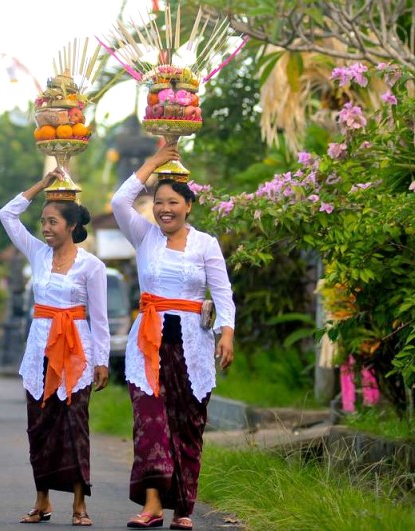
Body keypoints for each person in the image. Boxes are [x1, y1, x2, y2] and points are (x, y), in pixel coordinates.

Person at [110, 144, 235, 530]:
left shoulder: (206, 244)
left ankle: (182, 508)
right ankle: (151, 506)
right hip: (147, 344)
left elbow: (223, 291)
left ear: (188, 206)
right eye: (158, 202)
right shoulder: (144, 235)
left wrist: (226, 333)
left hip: (191, 346)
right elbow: (119, 200)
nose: (165, 209)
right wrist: (153, 162)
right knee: (150, 422)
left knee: (186, 425)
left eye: (173, 202)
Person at [0, 168, 110, 527]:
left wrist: (102, 361)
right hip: (40, 350)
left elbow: (100, 318)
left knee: (74, 425)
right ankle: (42, 500)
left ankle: (79, 504)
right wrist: (42, 186)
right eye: (43, 221)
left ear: (71, 226)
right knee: (40, 426)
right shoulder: (37, 254)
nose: (44, 228)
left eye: (52, 222)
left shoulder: (92, 266)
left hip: (77, 352)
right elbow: (7, 215)